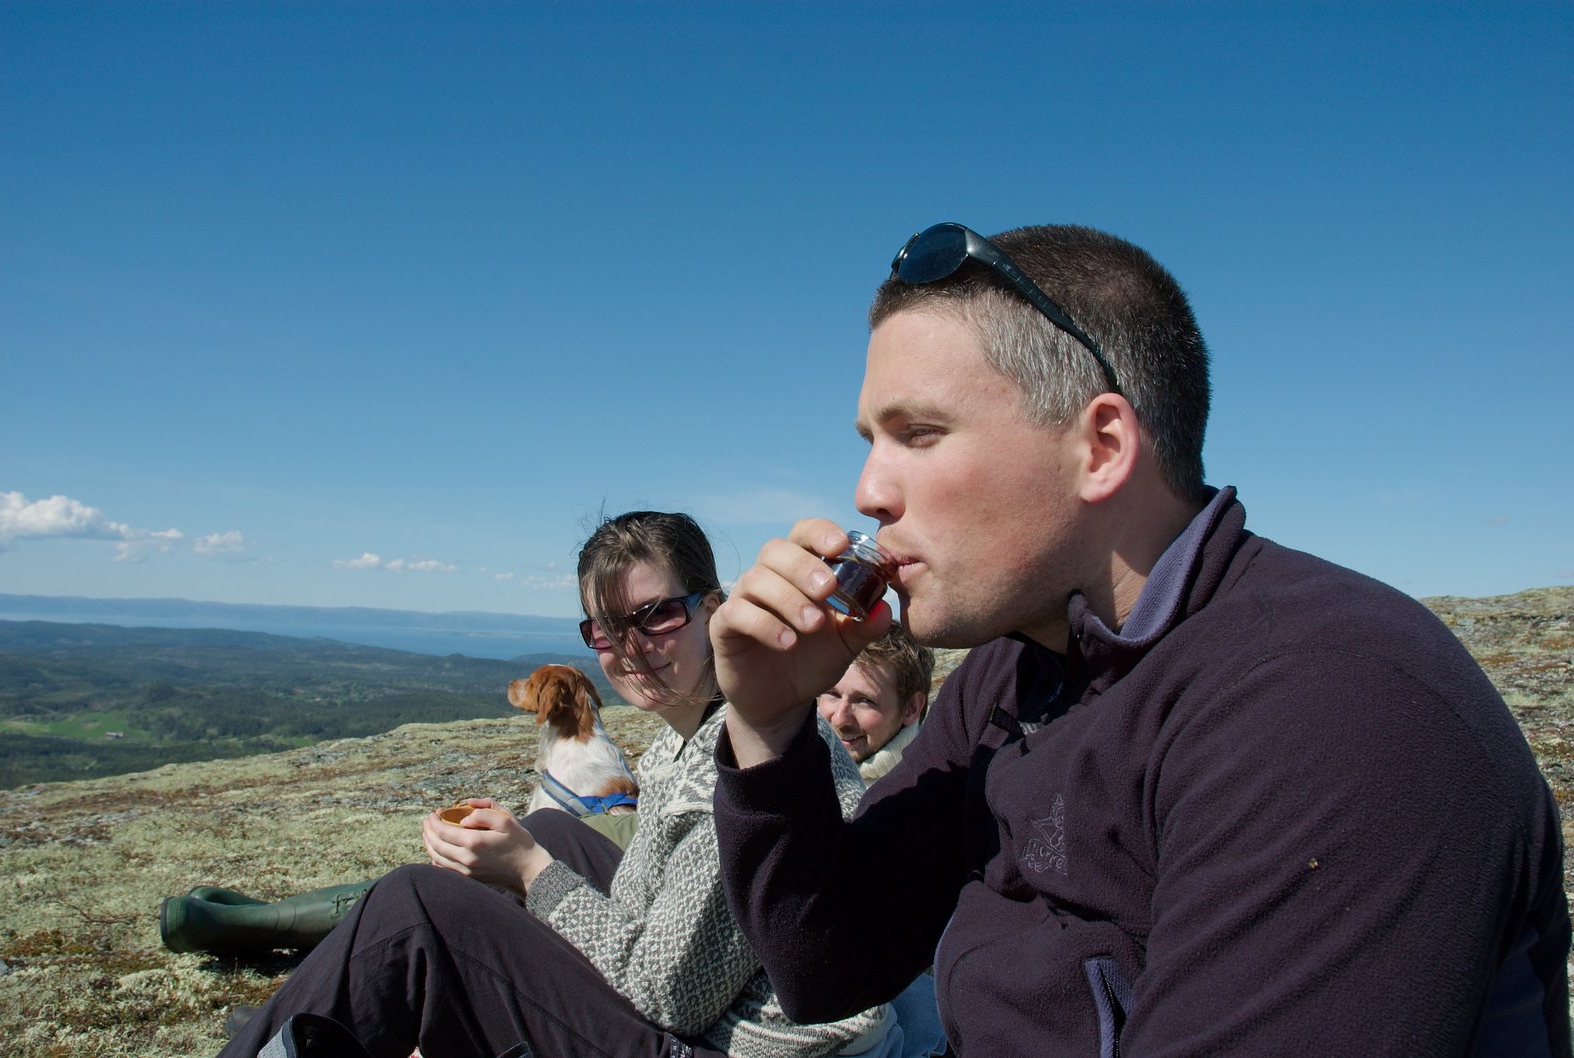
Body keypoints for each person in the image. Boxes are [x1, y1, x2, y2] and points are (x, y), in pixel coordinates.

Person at [708, 223, 1571, 1055]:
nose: (868, 491)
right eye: (872, 442)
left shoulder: (1334, 708)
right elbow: (830, 966)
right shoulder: (1011, 673)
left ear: (1102, 447)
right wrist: (769, 726)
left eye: (919, 435)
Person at [219, 511, 890, 1058]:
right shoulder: (685, 737)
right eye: (605, 629)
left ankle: (330, 1018)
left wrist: (530, 872)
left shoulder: (748, 759)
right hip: (705, 1007)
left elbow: (668, 1000)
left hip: (725, 1045)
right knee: (550, 830)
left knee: (416, 907)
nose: (630, 647)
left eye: (655, 614)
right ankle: (348, 1009)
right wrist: (532, 857)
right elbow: (646, 908)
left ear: (712, 607)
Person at [817, 622, 933, 785]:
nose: (839, 719)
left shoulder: (929, 790)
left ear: (911, 708)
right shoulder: (795, 766)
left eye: (865, 700)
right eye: (832, 693)